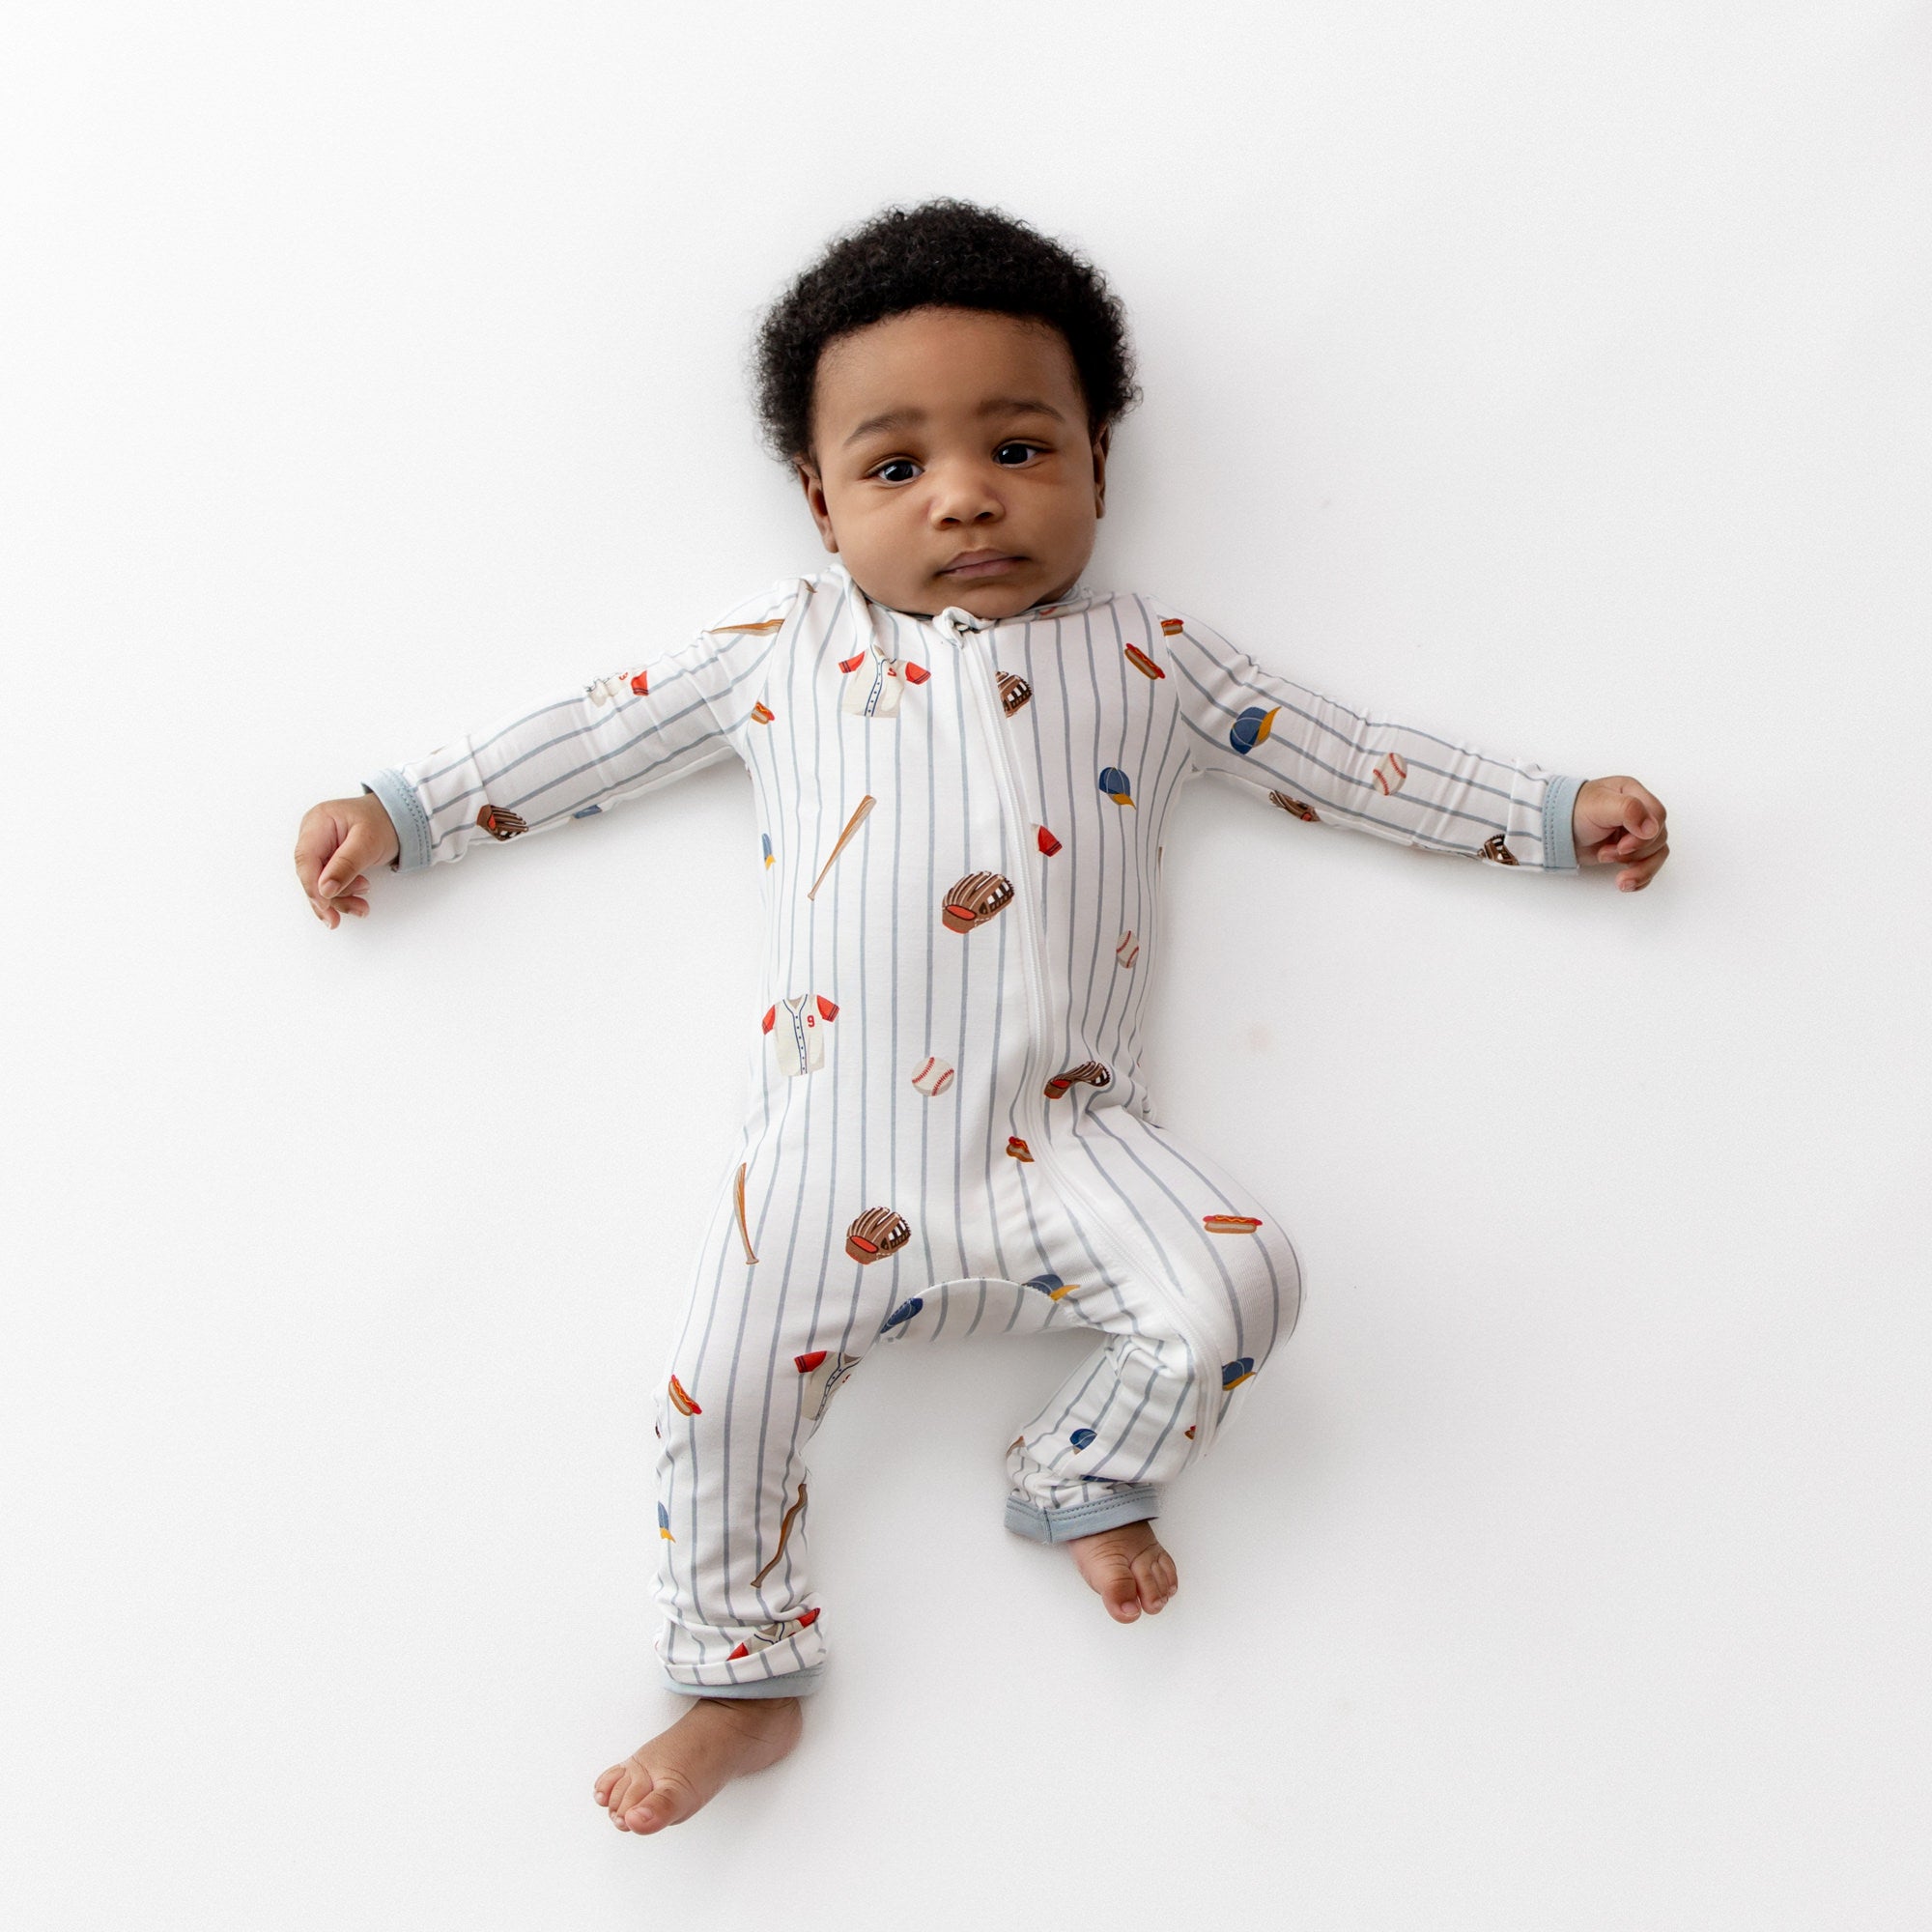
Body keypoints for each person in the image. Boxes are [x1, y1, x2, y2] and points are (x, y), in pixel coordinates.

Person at [292, 197, 1669, 1837]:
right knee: (715, 1397)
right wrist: (407, 809)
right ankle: (734, 1681)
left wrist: (1548, 812)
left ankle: (1082, 1470)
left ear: (1097, 457)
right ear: (816, 501)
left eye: (1021, 448)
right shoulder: (781, 660)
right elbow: (585, 740)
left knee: (1243, 1279)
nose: (965, 497)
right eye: (895, 469)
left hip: (1070, 1137)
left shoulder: (1149, 663)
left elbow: (1346, 754)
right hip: (830, 1158)